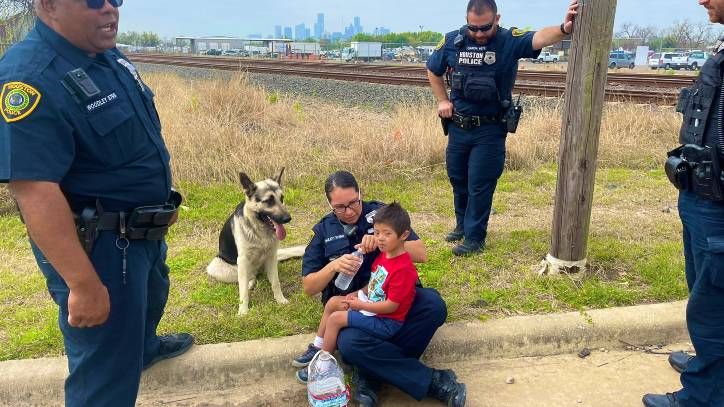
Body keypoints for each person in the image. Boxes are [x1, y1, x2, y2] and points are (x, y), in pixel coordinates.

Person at [0, 0, 192, 405]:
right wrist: (83, 285)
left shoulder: (107, 55)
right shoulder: (29, 78)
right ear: (48, 5)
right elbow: (35, 193)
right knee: (103, 377)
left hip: (141, 235)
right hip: (100, 251)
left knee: (151, 297)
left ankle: (143, 350)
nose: (109, 8)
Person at [295, 171, 466, 407]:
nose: (350, 211)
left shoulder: (381, 216)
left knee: (433, 305)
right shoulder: (323, 231)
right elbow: (308, 287)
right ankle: (434, 382)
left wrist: (383, 241)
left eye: (354, 202)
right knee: (350, 344)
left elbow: (421, 253)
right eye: (340, 207)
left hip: (393, 299)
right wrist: (333, 266)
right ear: (330, 204)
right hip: (356, 307)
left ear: (360, 193)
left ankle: (369, 373)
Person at [426, 0, 579, 256]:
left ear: (497, 18)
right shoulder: (453, 41)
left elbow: (538, 38)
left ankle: (475, 238)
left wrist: (564, 28)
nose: (478, 33)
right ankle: (462, 225)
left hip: (489, 129)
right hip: (459, 127)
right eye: (472, 28)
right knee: (458, 178)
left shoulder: (508, 40)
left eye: (484, 27)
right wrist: (442, 100)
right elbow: (433, 69)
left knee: (480, 183)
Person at [644, 1, 724, 405]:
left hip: (719, 206)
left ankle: (702, 397)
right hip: (701, 195)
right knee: (703, 291)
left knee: (714, 306)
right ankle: (709, 365)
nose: (703, 0)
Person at [295, 202, 420, 359]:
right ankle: (316, 347)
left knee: (336, 319)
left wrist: (360, 304)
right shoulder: (384, 255)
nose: (380, 239)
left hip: (386, 321)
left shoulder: (403, 268)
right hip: (372, 304)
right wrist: (357, 293)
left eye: (387, 234)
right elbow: (375, 284)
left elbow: (391, 306)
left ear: (403, 235)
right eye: (376, 233)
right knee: (333, 302)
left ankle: (323, 363)